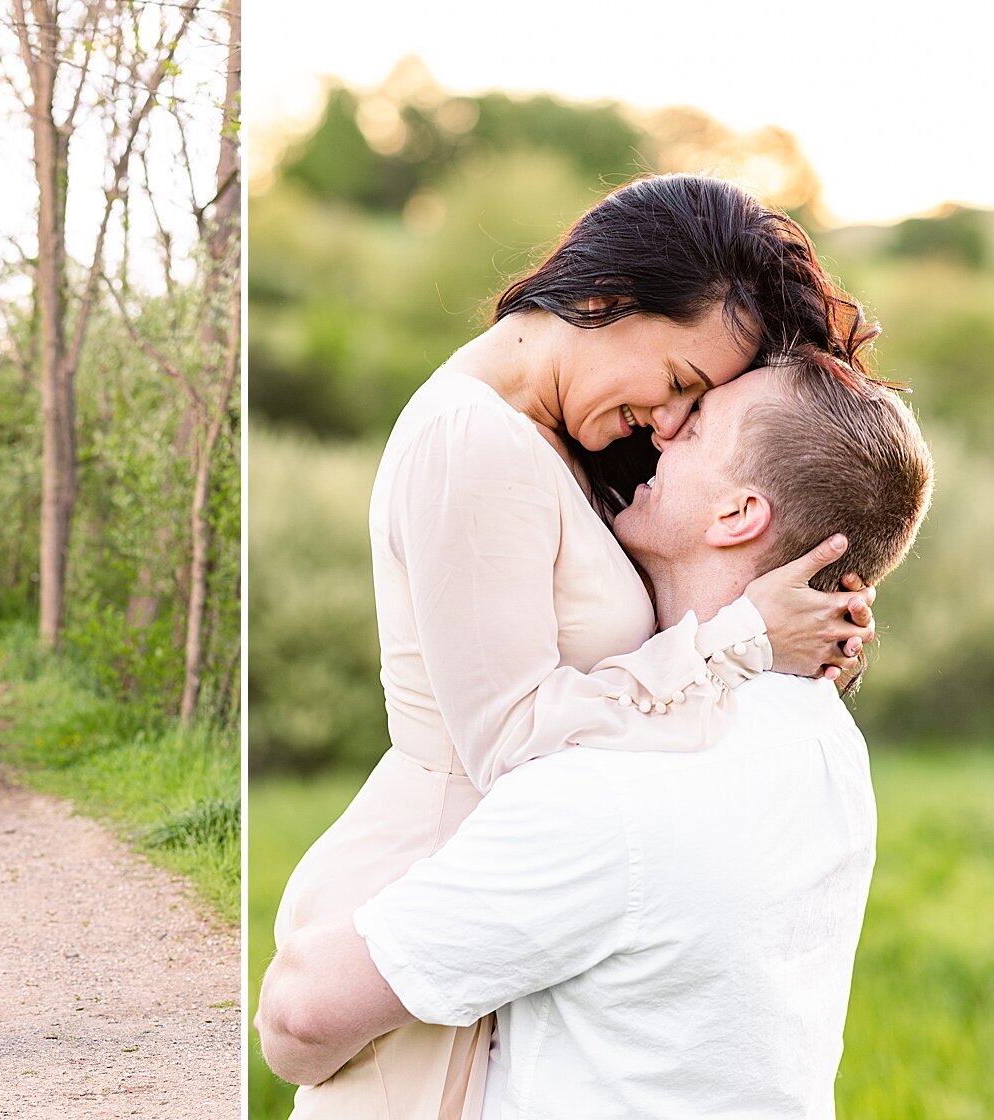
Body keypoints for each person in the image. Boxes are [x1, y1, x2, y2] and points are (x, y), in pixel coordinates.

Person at [269, 174, 882, 1118]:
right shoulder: (467, 439)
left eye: (697, 405)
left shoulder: (551, 433)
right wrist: (743, 641)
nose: (673, 421)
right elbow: (511, 741)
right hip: (436, 881)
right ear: (607, 299)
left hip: (525, 897)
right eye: (680, 382)